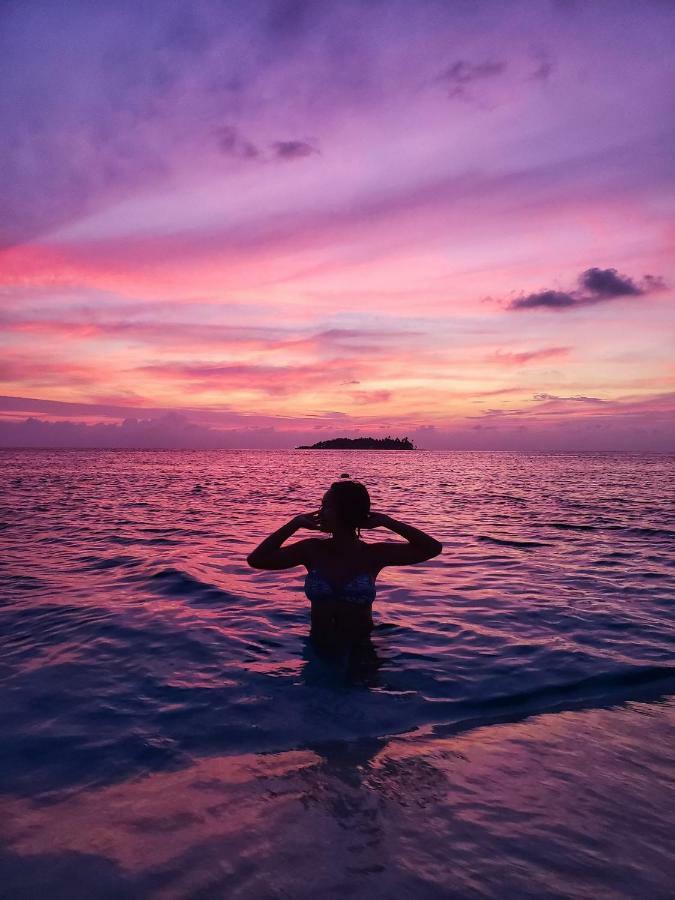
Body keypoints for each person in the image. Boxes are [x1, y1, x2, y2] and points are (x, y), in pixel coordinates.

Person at [246, 479, 442, 644]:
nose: (319, 512)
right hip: (318, 649)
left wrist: (387, 521)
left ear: (346, 511)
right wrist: (294, 524)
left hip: (362, 650)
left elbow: (432, 548)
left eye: (326, 507)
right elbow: (257, 560)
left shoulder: (373, 554)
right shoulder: (311, 550)